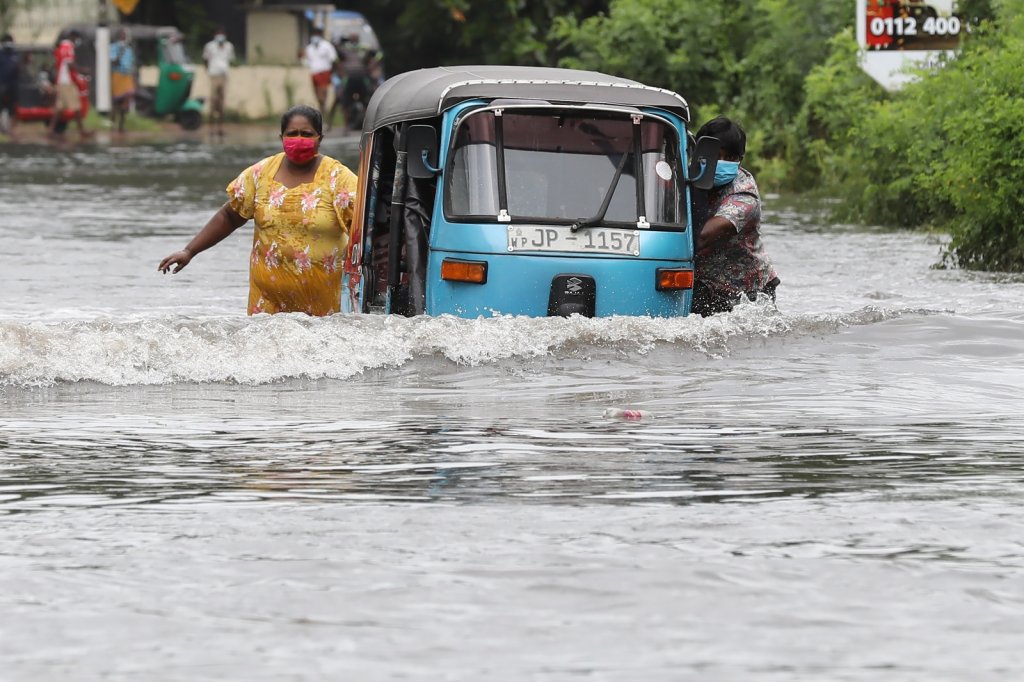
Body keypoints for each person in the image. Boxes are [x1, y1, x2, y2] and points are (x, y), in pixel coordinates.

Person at [158, 105, 359, 316]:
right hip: (267, 304)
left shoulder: (338, 178)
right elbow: (229, 216)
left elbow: (363, 228)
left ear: (320, 138)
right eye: (292, 134)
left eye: (306, 134)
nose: (299, 139)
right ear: (281, 137)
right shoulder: (260, 174)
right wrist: (190, 251)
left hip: (323, 304)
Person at [691, 116, 779, 316]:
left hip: (747, 292)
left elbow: (702, 237)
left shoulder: (743, 195)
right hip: (704, 283)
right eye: (716, 156)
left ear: (740, 159)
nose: (722, 163)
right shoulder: (688, 176)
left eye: (730, 158)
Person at [48, 30, 91, 139]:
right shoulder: (68, 47)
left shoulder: (61, 47)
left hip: (61, 81)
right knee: (76, 106)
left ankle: (51, 130)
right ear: (73, 37)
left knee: (60, 108)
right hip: (67, 81)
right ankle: (82, 131)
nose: (77, 41)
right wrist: (82, 70)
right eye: (77, 38)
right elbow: (70, 64)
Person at [202, 27, 234, 136]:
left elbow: (230, 60)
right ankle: (210, 129)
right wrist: (208, 71)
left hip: (224, 76)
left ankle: (220, 128)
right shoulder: (209, 46)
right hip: (214, 75)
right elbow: (205, 60)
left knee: (221, 103)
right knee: (213, 102)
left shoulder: (229, 46)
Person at [303, 28, 337, 116]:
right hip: (314, 72)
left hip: (324, 71)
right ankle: (322, 107)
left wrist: (332, 72)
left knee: (323, 91)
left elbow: (333, 59)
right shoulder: (309, 48)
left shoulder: (327, 46)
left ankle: (323, 109)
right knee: (317, 93)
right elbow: (307, 61)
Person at [109, 28, 136, 133]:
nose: (123, 37)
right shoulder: (113, 48)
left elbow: (131, 65)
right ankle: (113, 125)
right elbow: (114, 62)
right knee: (116, 102)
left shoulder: (129, 50)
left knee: (128, 97)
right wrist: (120, 52)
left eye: (124, 36)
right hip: (117, 75)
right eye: (121, 35)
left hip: (127, 76)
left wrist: (134, 78)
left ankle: (121, 125)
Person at [0, 34, 18, 136]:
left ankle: (12, 130)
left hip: (13, 85)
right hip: (2, 84)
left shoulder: (15, 54)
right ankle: (2, 128)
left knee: (12, 108)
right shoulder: (1, 54)